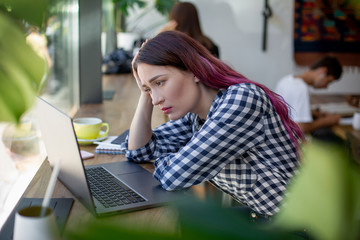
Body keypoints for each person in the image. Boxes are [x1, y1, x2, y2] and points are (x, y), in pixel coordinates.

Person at [124, 31, 304, 217]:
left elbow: (173, 176)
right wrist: (144, 92)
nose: (155, 99)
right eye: (149, 89)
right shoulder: (196, 117)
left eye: (160, 82)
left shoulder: (241, 100)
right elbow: (139, 151)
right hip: (262, 216)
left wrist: (180, 157)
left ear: (193, 71)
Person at [275, 56, 343, 134]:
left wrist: (312, 113)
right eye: (328, 81)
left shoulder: (285, 80)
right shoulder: (300, 88)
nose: (326, 87)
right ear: (323, 71)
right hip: (291, 141)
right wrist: (328, 121)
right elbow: (301, 128)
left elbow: (289, 112)